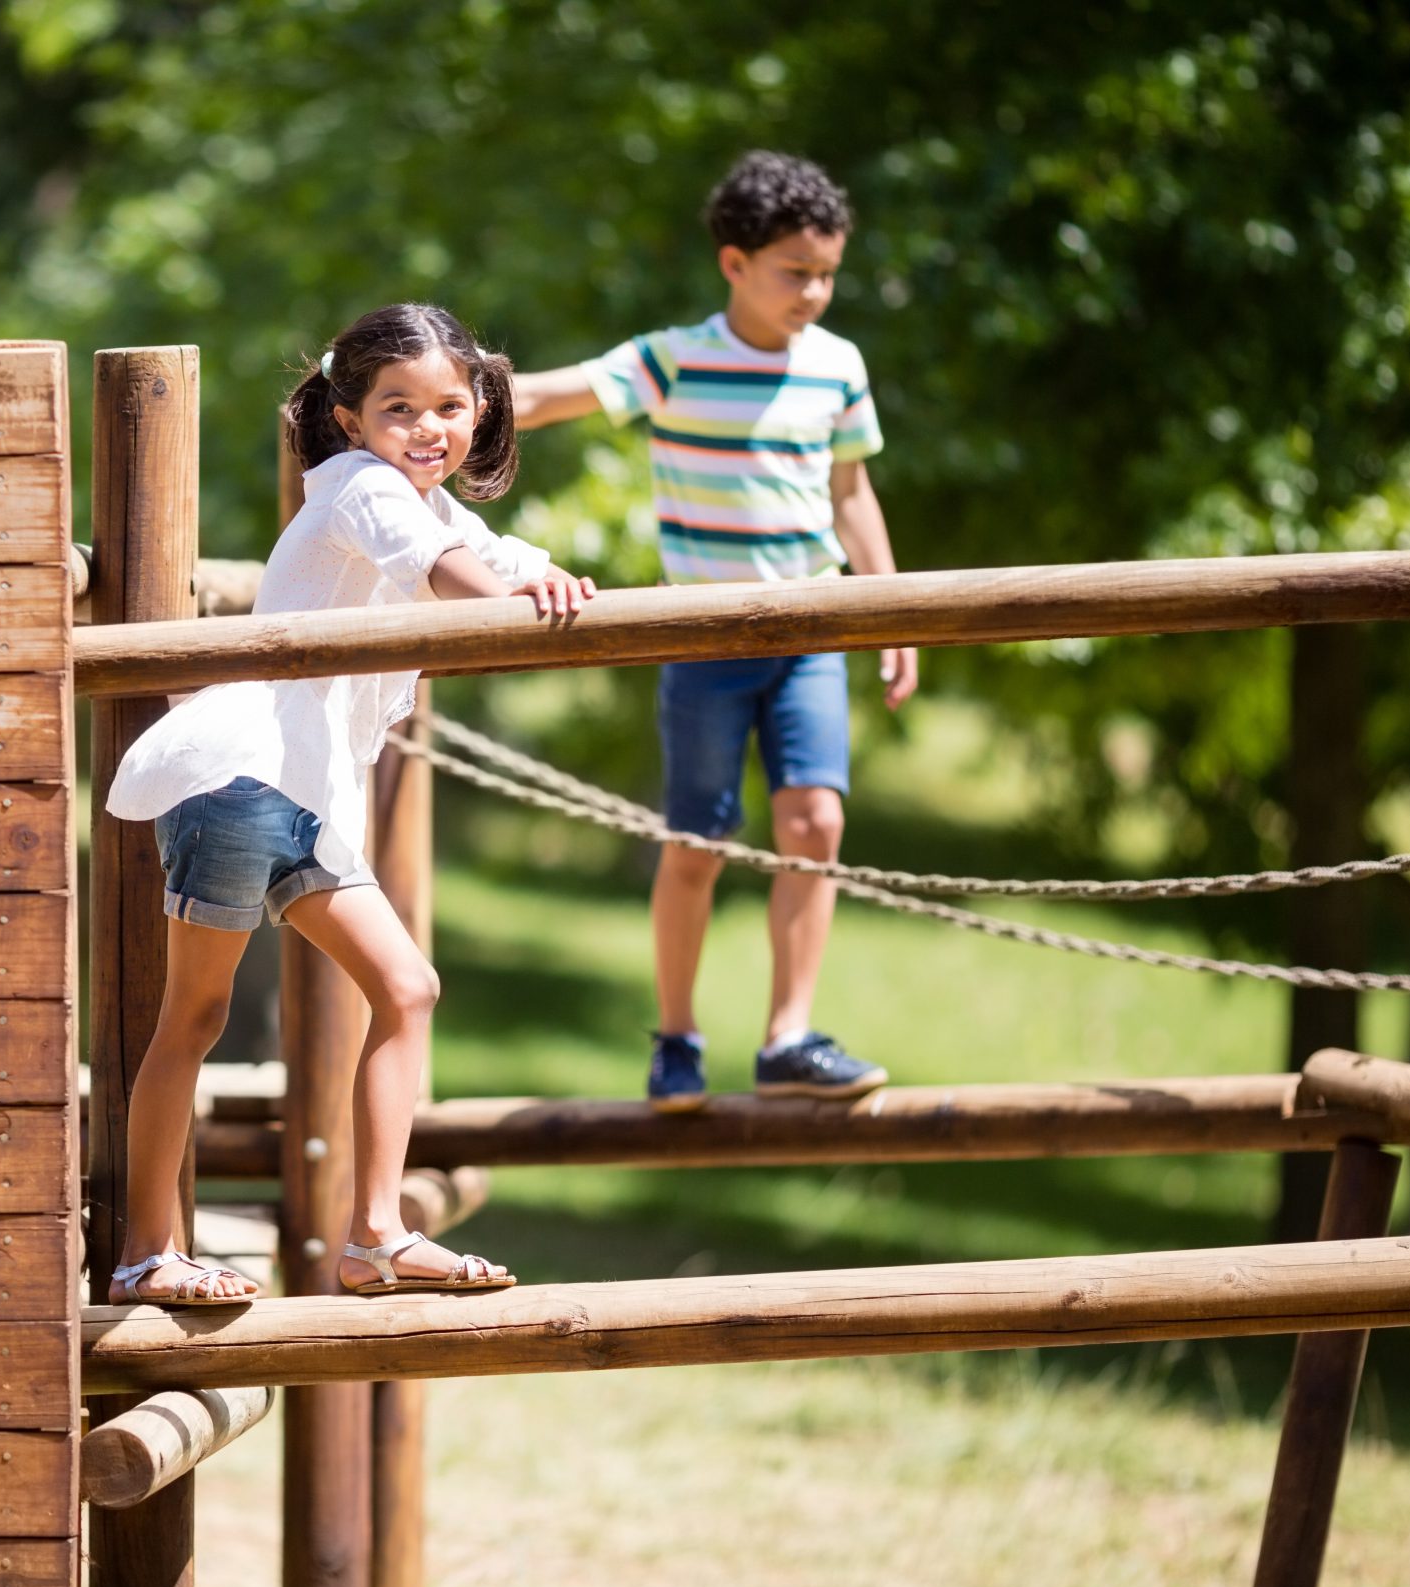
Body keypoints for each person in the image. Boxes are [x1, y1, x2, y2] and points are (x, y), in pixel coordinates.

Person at [104, 303, 595, 1305]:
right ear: (346, 418)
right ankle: (146, 1253)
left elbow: (492, 555)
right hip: (242, 775)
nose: (429, 428)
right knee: (193, 1014)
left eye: (449, 407)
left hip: (303, 799)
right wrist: (503, 594)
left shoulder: (430, 505)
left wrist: (551, 579)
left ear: (481, 407)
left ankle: (373, 1234)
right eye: (399, 407)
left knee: (404, 989)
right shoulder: (359, 488)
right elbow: (444, 570)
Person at [514, 150, 912, 1111]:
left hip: (815, 624)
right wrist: (413, 403)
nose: (814, 292)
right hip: (704, 638)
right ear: (734, 263)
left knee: (815, 823)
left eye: (827, 274)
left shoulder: (837, 367)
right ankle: (678, 1037)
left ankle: (789, 1036)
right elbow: (543, 397)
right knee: (697, 843)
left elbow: (850, 491)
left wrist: (894, 603)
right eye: (794, 272)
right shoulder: (675, 358)